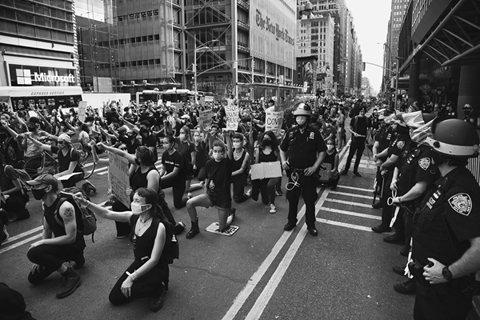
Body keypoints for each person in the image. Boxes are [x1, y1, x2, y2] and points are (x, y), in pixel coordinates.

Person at [409, 119, 480, 320]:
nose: (429, 149)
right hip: (430, 290)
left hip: (445, 296)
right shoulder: (445, 182)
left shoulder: (460, 194)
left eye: (434, 145)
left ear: (446, 155)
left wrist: (447, 273)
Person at [74, 188, 170, 312]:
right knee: (115, 298)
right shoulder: (134, 217)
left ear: (148, 206)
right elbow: (106, 213)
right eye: (133, 199)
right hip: (139, 263)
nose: (133, 203)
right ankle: (142, 285)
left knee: (134, 289)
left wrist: (131, 278)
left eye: (137, 201)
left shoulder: (159, 226)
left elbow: (154, 260)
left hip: (155, 268)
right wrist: (85, 203)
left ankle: (158, 290)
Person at [25, 174, 84, 299]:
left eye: (37, 186)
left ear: (47, 188)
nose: (33, 190)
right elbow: (47, 230)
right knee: (33, 279)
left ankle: (71, 275)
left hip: (73, 245)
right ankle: (77, 259)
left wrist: (41, 246)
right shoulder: (44, 204)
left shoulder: (65, 207)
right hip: (61, 245)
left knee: (32, 253)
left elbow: (70, 238)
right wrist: (40, 257)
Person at [280, 103, 326, 236]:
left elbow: (323, 151)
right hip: (294, 173)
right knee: (292, 198)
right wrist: (284, 162)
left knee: (309, 200)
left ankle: (310, 225)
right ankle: (291, 221)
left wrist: (315, 167)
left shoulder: (314, 133)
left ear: (307, 118)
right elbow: (282, 149)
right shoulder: (291, 132)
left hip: (308, 174)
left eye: (302, 117)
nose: (299, 119)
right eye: (297, 117)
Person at [185, 140, 236, 239]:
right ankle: (194, 227)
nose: (217, 154)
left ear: (223, 152)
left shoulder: (226, 163)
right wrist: (205, 194)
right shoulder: (209, 163)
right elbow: (207, 179)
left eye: (220, 151)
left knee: (222, 227)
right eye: (215, 151)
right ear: (212, 151)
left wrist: (227, 137)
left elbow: (230, 153)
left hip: (223, 198)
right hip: (211, 195)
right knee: (189, 203)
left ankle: (231, 215)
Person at [251, 131, 280, 213]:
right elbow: (256, 163)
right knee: (265, 201)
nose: (266, 139)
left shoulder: (276, 149)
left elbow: (278, 162)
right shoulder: (259, 150)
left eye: (268, 138)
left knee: (270, 185)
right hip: (262, 173)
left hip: (273, 173)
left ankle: (272, 204)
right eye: (264, 138)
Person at [159, 136, 188, 209]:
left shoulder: (178, 155)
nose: (164, 145)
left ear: (172, 144)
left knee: (177, 205)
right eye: (163, 143)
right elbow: (163, 168)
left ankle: (188, 198)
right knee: (155, 184)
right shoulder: (165, 154)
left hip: (179, 181)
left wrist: (162, 178)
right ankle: (161, 203)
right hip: (169, 179)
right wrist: (159, 176)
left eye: (166, 143)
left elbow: (174, 173)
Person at [340, 107, 370, 177]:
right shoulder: (355, 119)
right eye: (361, 111)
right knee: (350, 155)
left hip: (362, 141)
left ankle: (355, 170)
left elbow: (369, 128)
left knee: (359, 156)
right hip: (355, 140)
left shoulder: (367, 119)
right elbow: (349, 128)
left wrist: (367, 136)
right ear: (359, 111)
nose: (362, 112)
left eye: (363, 111)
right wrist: (354, 133)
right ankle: (346, 170)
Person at [226, 132, 251, 203]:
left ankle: (248, 194)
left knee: (237, 198)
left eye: (237, 141)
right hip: (231, 173)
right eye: (234, 141)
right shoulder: (231, 151)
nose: (235, 143)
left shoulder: (246, 154)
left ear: (242, 142)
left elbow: (242, 170)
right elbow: (228, 150)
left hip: (240, 175)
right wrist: (227, 136)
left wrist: (229, 174)